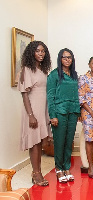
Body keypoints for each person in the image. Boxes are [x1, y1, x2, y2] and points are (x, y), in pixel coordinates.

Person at [18, 41, 51, 186]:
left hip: (43, 110)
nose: (41, 54)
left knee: (41, 142)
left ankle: (36, 172)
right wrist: (31, 115)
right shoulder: (27, 69)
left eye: (43, 51)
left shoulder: (43, 70)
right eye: (38, 51)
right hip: (32, 111)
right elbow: (24, 94)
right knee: (35, 143)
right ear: (32, 52)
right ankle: (36, 174)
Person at [47, 48, 81, 183]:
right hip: (59, 112)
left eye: (69, 57)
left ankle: (67, 167)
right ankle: (59, 169)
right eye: (64, 57)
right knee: (60, 142)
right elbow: (50, 96)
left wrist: (78, 112)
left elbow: (76, 94)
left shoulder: (74, 75)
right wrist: (52, 115)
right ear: (60, 59)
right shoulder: (54, 75)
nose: (67, 59)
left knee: (69, 142)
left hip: (72, 111)